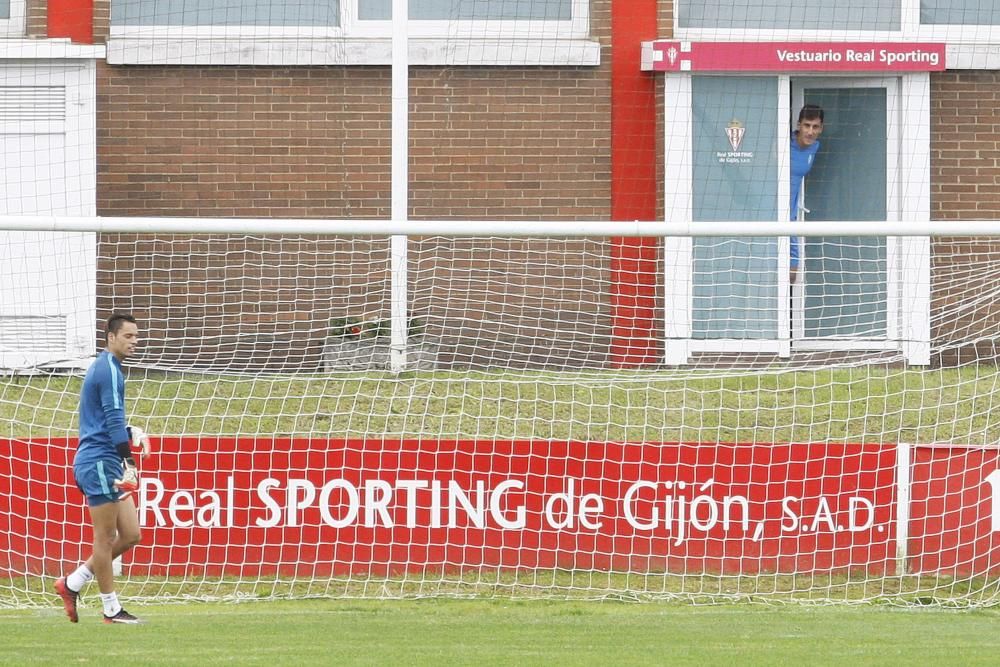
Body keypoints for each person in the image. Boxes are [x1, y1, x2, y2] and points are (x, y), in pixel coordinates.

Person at [54, 313, 152, 624]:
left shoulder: (110, 368)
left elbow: (108, 418)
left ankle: (73, 583)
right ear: (110, 337)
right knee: (105, 537)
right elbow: (109, 420)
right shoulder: (107, 368)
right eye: (128, 336)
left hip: (106, 457)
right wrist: (129, 461)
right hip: (98, 460)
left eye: (136, 336)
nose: (134, 341)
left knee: (131, 534)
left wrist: (132, 430)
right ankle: (111, 609)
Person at [790, 104, 824, 284]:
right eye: (806, 125)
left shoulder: (815, 147)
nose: (810, 131)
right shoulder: (784, 143)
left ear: (821, 129)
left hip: (790, 218)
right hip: (769, 214)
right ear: (799, 125)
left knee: (792, 275)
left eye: (815, 127)